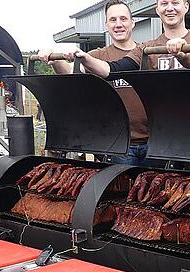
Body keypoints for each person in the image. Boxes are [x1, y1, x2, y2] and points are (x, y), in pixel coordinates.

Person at [39, 0, 150, 165]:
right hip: (120, 145)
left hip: (154, 142)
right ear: (106, 24)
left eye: (123, 19)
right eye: (113, 20)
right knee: (121, 190)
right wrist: (54, 59)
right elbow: (70, 71)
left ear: (132, 22)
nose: (118, 24)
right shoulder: (97, 56)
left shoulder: (147, 52)